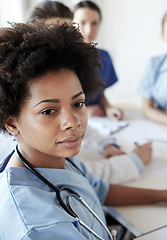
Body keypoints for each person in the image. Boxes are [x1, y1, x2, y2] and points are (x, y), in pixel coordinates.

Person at [0, 22, 167, 239]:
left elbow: (94, 189)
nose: (72, 122)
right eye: (48, 111)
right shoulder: (39, 228)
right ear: (11, 123)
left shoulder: (51, 158)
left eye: (78, 103)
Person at [27, 0, 152, 184]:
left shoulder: (60, 76)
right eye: (52, 39)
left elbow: (72, 123)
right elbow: (70, 175)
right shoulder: (30, 95)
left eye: (66, 37)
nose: (62, 47)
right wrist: (134, 162)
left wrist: (106, 145)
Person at [73, 0, 123, 120]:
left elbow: (99, 93)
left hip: (98, 120)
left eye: (94, 23)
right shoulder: (61, 57)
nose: (89, 29)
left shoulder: (104, 57)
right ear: (71, 22)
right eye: (82, 22)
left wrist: (108, 108)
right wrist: (83, 110)